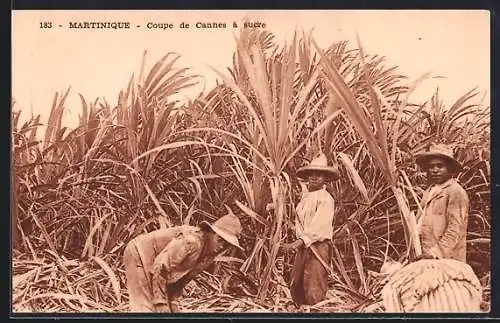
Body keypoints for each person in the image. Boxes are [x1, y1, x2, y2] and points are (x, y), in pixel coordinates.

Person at [122, 211, 243, 312]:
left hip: (155, 265)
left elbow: (182, 278)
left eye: (227, 245)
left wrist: (172, 301)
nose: (222, 247)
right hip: (139, 253)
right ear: (211, 233)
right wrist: (160, 301)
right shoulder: (191, 241)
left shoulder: (208, 257)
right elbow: (161, 265)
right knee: (145, 307)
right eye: (220, 240)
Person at [285, 152, 338, 305]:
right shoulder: (305, 198)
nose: (314, 177)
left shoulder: (326, 199)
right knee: (298, 283)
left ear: (326, 179)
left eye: (319, 175)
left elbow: (318, 226)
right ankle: (300, 310)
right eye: (311, 174)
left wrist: (296, 244)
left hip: (317, 246)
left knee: (314, 282)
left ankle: (315, 311)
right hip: (304, 245)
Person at [415, 143, 469, 262]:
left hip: (446, 259)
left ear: (450, 169)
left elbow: (455, 230)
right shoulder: (429, 191)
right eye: (431, 166)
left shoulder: (455, 192)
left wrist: (435, 253)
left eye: (440, 166)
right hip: (425, 255)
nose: (435, 170)